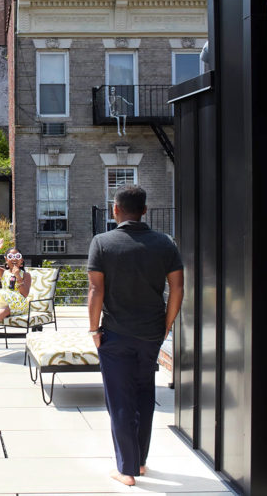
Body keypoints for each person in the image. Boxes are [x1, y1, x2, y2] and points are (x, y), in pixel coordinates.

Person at [86, 185, 184, 486]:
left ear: (115, 209)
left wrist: (93, 330)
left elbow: (96, 290)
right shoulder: (165, 243)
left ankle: (126, 470)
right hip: (151, 334)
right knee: (144, 395)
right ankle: (139, 462)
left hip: (115, 334)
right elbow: (177, 289)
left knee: (120, 400)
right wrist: (166, 326)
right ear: (144, 210)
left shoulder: (102, 243)